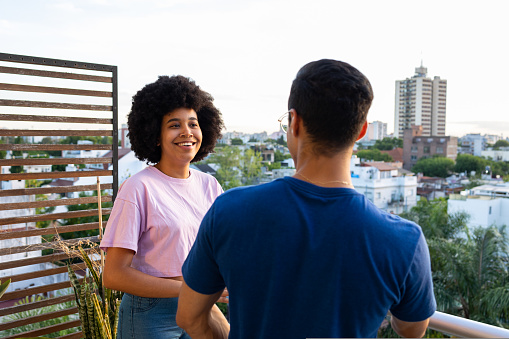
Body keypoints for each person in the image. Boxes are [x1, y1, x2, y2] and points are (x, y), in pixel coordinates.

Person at [176, 59, 436, 338]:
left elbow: (190, 316)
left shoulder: (229, 210)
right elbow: (412, 329)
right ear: (361, 130)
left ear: (295, 122)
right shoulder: (404, 240)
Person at [100, 75, 229, 339]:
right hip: (151, 313)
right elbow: (113, 275)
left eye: (193, 124)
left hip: (201, 305)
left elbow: (224, 248)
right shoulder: (138, 188)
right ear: (155, 135)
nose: (186, 132)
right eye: (174, 125)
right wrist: (187, 288)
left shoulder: (210, 185)